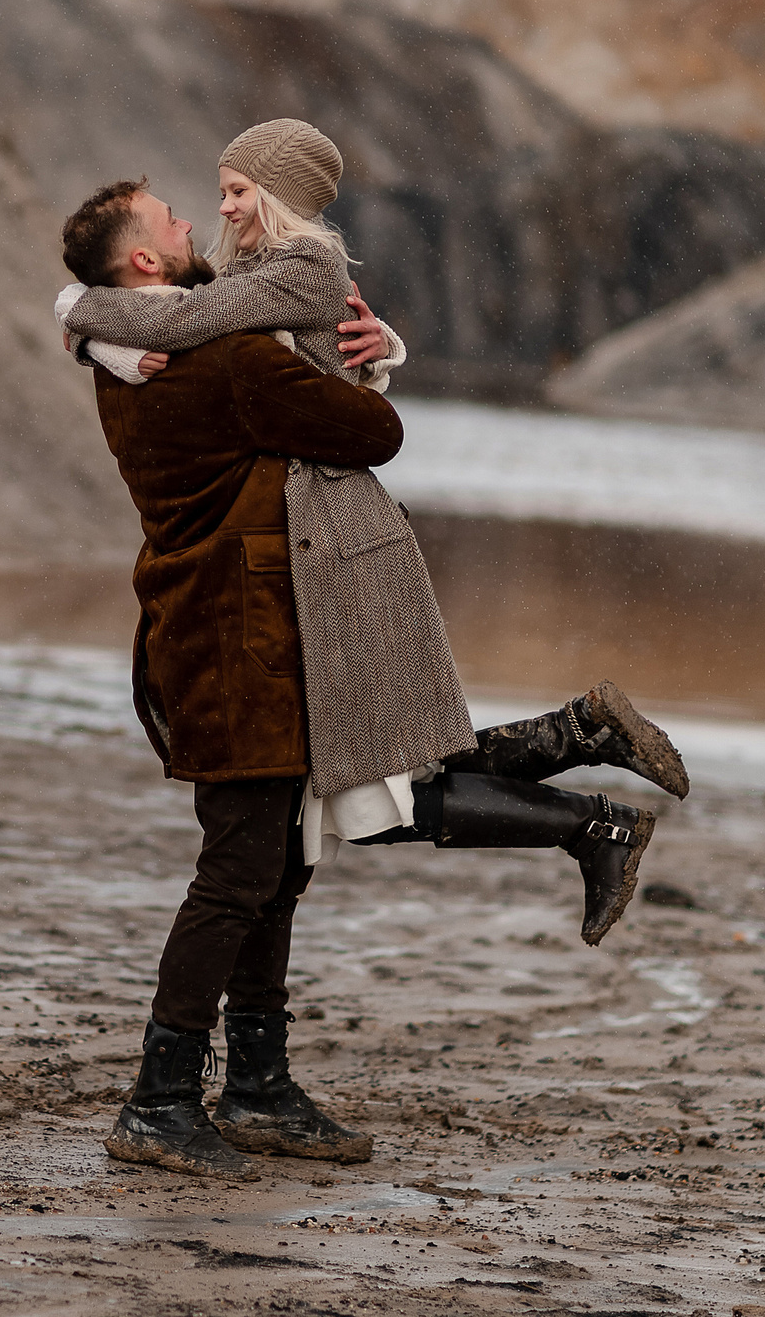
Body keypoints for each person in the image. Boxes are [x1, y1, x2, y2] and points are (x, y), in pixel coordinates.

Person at [60, 141, 686, 1184]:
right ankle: (160, 1101)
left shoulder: (130, 351)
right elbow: (371, 430)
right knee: (246, 871)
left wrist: (86, 319)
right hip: (244, 642)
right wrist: (362, 364)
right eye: (171, 218)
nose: (193, 220)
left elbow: (148, 328)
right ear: (145, 268)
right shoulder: (232, 360)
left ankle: (256, 1086)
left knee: (279, 865)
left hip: (228, 634)